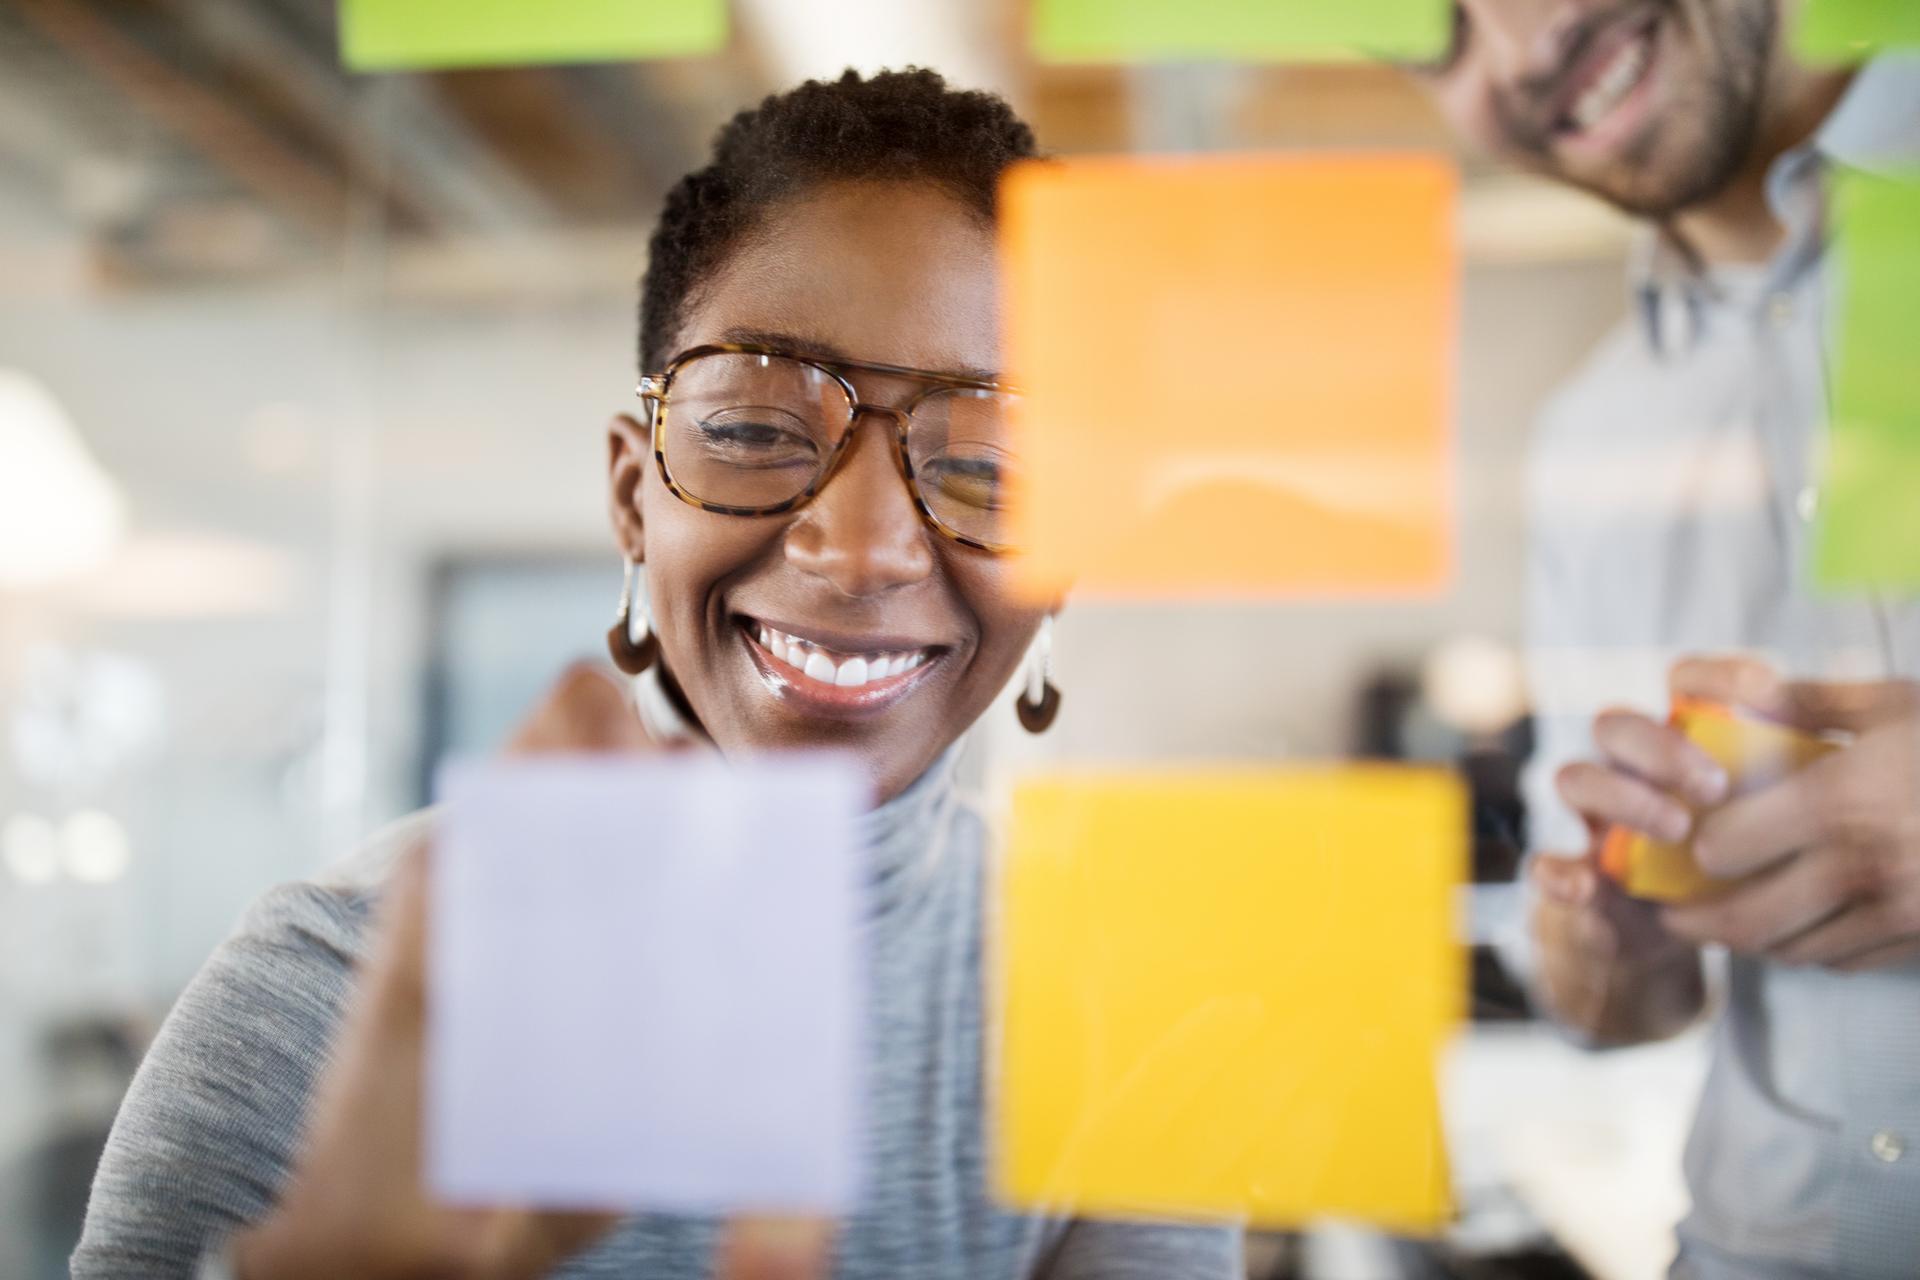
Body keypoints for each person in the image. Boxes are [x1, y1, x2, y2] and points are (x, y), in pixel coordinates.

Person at [70, 69, 1242, 1280]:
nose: (864, 546)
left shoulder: (1128, 1009)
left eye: (990, 467)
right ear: (636, 495)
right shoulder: (336, 994)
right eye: (754, 429)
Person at [1413, 3, 1920, 1277]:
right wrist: (1608, 941)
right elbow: (1619, 1006)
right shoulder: (1594, 440)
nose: (1522, 53)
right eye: (1437, 33)